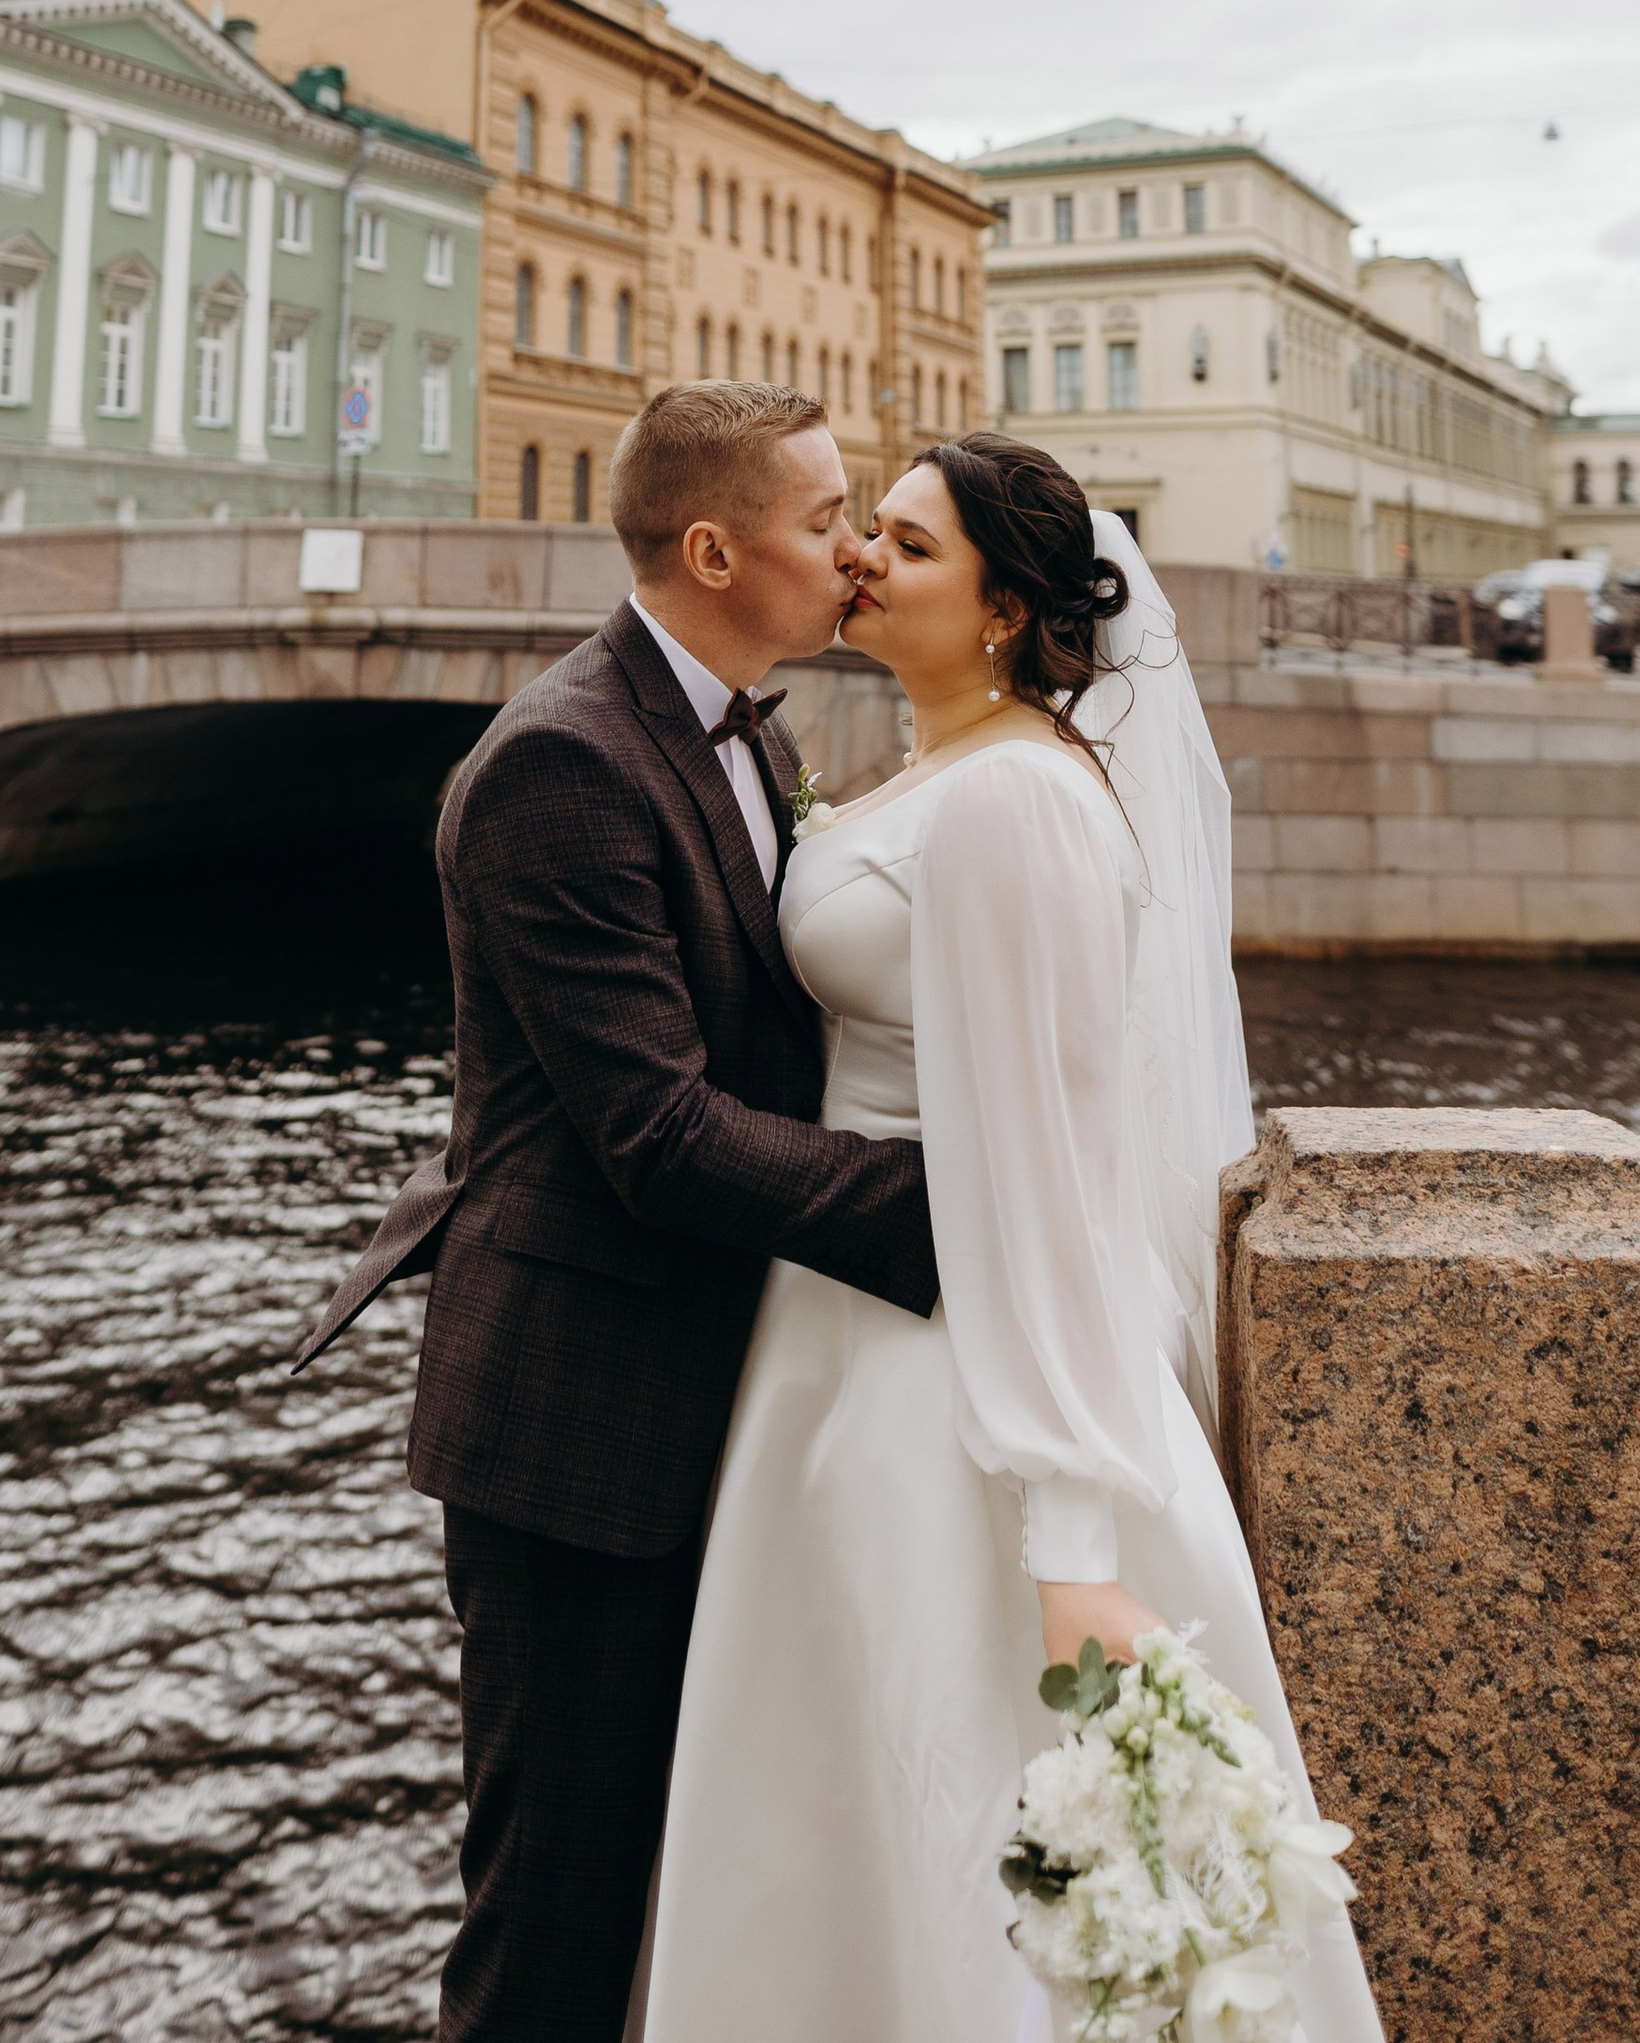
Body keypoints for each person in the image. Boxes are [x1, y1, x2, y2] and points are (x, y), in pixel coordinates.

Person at [628, 429, 1384, 2043]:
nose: (857, 562)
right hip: (845, 1343)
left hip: (953, 1371)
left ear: (996, 607)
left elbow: (1043, 1174)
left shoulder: (1016, 803)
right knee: (850, 1818)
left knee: (957, 1819)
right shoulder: (943, 766)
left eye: (901, 544)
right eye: (862, 530)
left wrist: (1069, 1547)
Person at [290, 380, 938, 2043]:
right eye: (825, 517)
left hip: (713, 1390)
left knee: (681, 1895)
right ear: (717, 548)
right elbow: (655, 1132)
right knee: (552, 1935)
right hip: (579, 1431)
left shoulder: (754, 725)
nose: (856, 548)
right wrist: (959, 1205)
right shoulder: (559, 764)